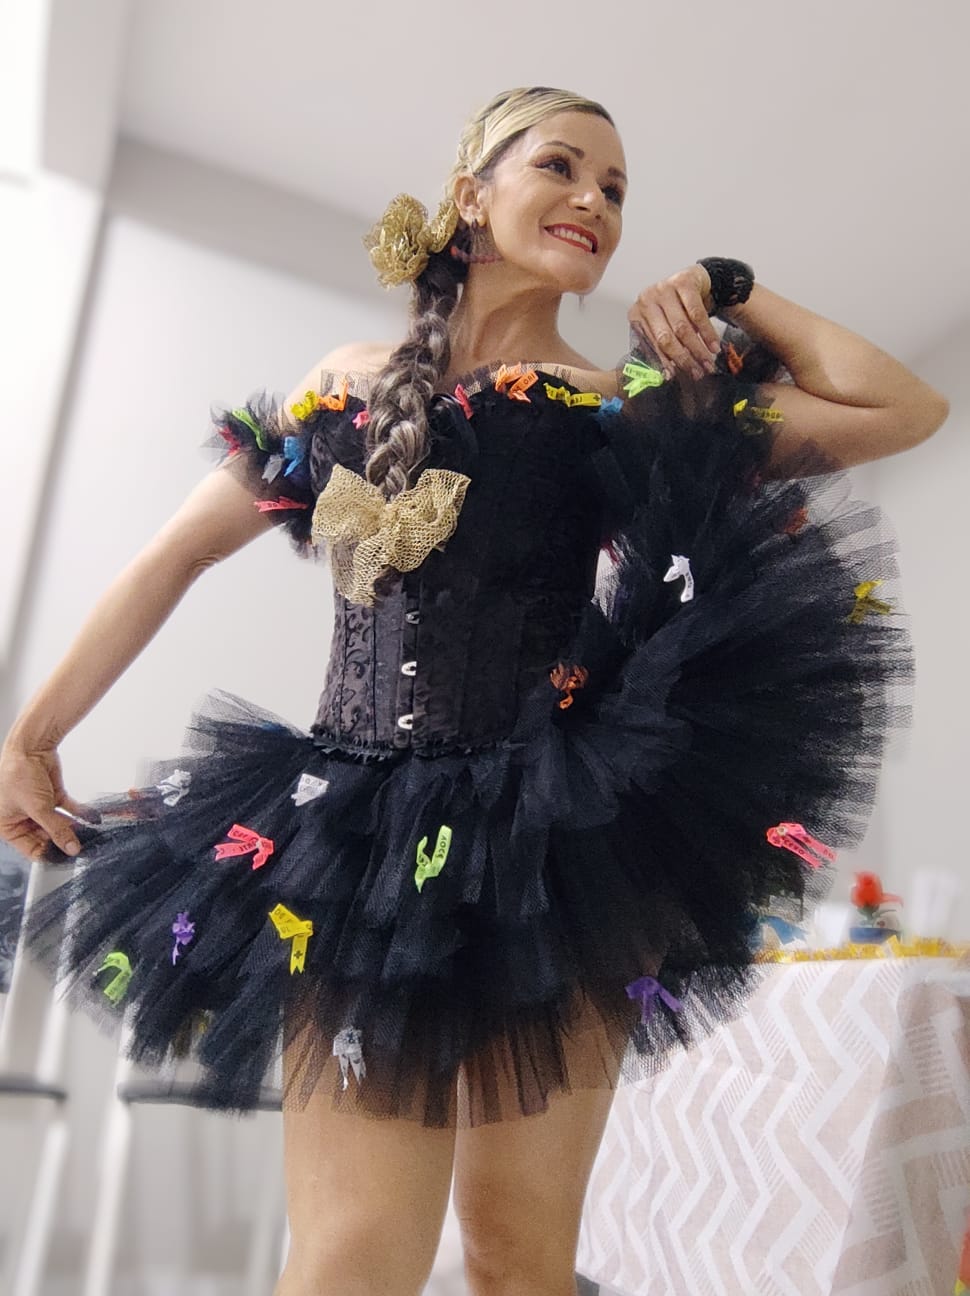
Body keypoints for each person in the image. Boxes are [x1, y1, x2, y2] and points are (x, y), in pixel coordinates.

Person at [0, 85, 948, 1296]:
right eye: (561, 165)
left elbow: (903, 407)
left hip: (555, 853)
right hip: (351, 852)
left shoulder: (619, 403)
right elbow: (172, 555)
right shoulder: (339, 387)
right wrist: (31, 735)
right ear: (470, 196)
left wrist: (729, 285)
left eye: (615, 189)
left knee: (515, 1253)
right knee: (349, 1257)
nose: (594, 200)